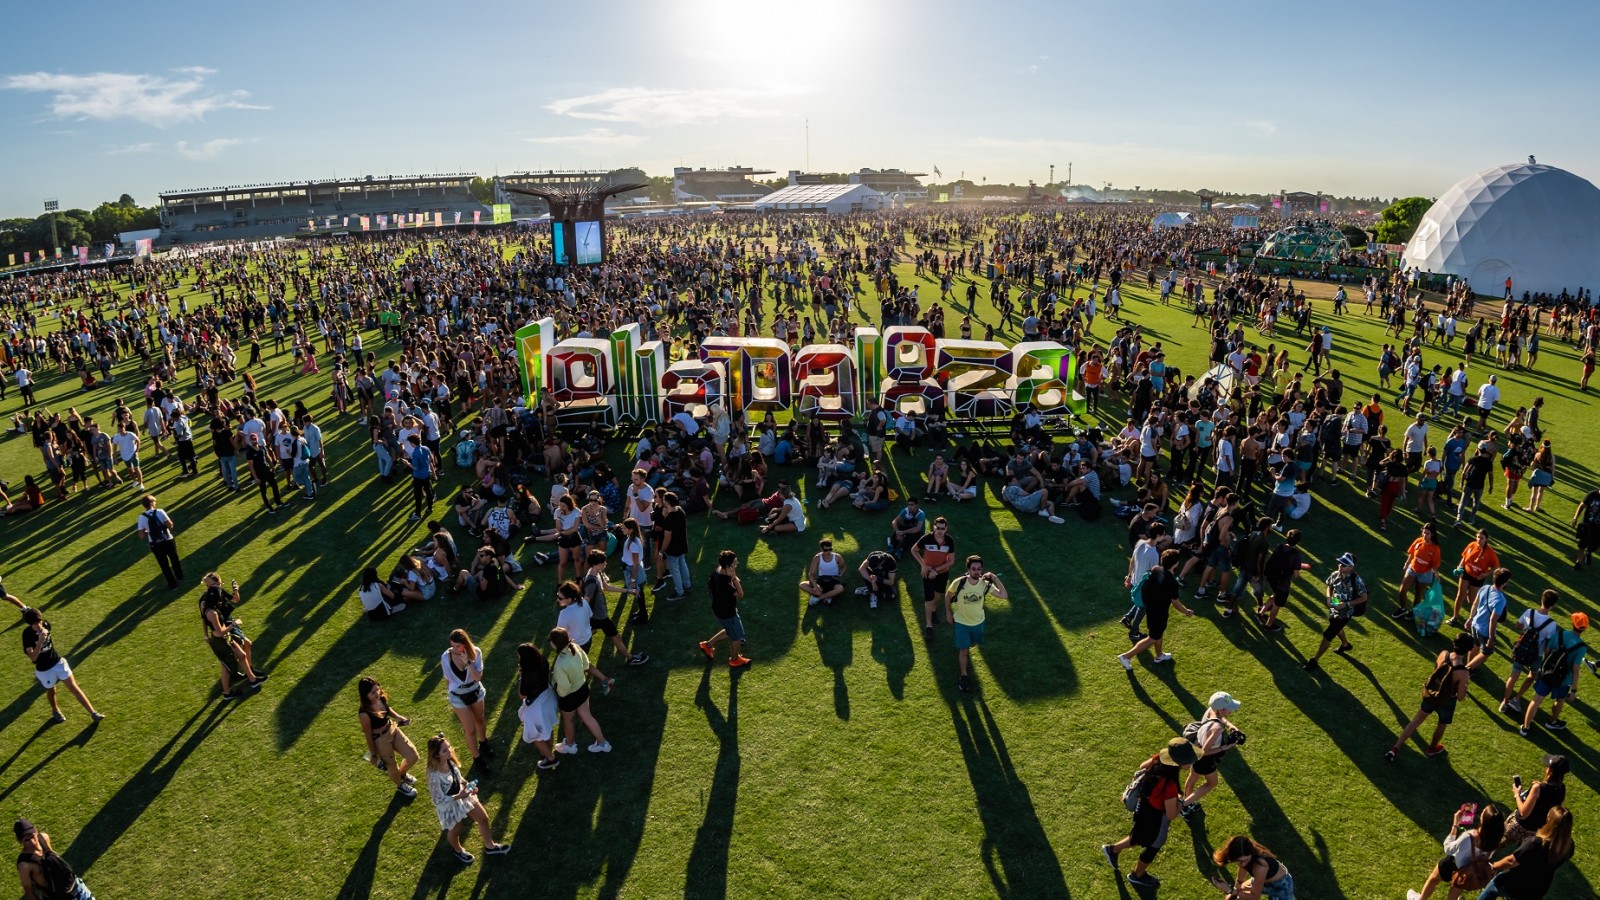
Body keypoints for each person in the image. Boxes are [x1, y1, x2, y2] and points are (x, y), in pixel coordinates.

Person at [1102, 738, 1199, 889]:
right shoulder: (1169, 786)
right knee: (1154, 846)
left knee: (1139, 835)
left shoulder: (1158, 760)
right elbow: (1171, 814)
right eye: (1189, 761)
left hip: (1144, 807)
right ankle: (1137, 875)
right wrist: (1180, 802)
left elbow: (1142, 766)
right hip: (1156, 818)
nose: (1191, 763)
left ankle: (1112, 850)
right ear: (1178, 763)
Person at [1385, 633, 1474, 762]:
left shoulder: (1444, 654)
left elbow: (1436, 670)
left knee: (1415, 722)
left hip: (1431, 694)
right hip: (1446, 701)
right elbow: (1460, 697)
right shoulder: (1463, 672)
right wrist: (1465, 684)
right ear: (1468, 650)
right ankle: (1432, 748)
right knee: (1442, 724)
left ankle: (1395, 748)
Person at [424, 734, 511, 864]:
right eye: (445, 750)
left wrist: (467, 785)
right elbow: (439, 800)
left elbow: (458, 778)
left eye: (449, 747)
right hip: (449, 805)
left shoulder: (450, 761)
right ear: (437, 755)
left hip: (462, 795)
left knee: (483, 818)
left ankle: (490, 846)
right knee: (456, 830)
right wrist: (461, 795)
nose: (450, 751)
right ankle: (458, 850)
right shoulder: (434, 775)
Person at [1404, 804, 1504, 900]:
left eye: (1483, 813)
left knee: (1433, 879)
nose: (1481, 813)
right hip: (1468, 872)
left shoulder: (1469, 836)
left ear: (1484, 821)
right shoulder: (1495, 842)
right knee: (1453, 895)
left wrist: (1455, 825)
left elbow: (1448, 848)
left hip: (1452, 864)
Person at [20, 609, 102, 724]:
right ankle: (55, 710)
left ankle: (93, 713)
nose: (39, 625)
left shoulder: (46, 625)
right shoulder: (27, 635)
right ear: (30, 624)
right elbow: (33, 657)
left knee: (74, 687)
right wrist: (39, 642)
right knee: (51, 690)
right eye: (35, 624)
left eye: (39, 621)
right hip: (44, 670)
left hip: (58, 662)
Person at [1118, 550, 1193, 670]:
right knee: (1152, 638)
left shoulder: (1156, 569)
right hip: (1159, 613)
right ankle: (1126, 656)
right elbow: (1175, 603)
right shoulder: (1172, 582)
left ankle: (1159, 656)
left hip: (1151, 608)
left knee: (1157, 633)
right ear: (1176, 564)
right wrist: (1187, 611)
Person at [1477, 806, 1573, 899]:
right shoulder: (1568, 847)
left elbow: (1511, 861)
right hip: (1536, 890)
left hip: (1512, 884)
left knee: (1491, 889)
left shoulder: (1535, 843)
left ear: (1551, 823)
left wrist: (1494, 866)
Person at [943, 555, 1008, 692]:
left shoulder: (985, 585)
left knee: (973, 643)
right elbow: (948, 596)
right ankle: (964, 675)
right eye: (973, 569)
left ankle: (968, 645)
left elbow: (1004, 595)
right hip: (961, 623)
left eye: (979, 569)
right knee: (964, 651)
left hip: (978, 623)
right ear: (968, 569)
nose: (977, 571)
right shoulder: (959, 583)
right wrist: (948, 612)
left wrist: (994, 577)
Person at [1519, 611, 1588, 737]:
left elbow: (1547, 650)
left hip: (1547, 673)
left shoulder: (1559, 634)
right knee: (1559, 700)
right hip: (1563, 679)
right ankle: (1552, 721)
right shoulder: (1582, 647)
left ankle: (1525, 727)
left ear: (1573, 623)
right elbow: (1576, 669)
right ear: (1584, 628)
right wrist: (1573, 691)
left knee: (1536, 700)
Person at [550, 626, 614, 754]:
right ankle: (602, 743)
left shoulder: (560, 665)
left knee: (568, 720)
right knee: (588, 717)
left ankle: (570, 745)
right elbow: (586, 665)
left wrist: (556, 689)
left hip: (569, 697)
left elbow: (564, 689)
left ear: (555, 644)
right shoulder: (576, 647)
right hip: (583, 689)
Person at [200, 573, 265, 699]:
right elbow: (218, 630)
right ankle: (228, 693)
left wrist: (236, 590)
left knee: (241, 654)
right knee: (227, 666)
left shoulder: (215, 601)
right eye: (211, 585)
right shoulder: (209, 607)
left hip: (224, 633)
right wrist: (206, 635)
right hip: (221, 637)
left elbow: (234, 600)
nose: (220, 592)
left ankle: (251, 678)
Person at [580, 549, 650, 666]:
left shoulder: (597, 572)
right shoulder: (591, 581)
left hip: (596, 615)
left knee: (590, 633)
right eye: (603, 563)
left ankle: (576, 650)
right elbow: (586, 601)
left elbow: (607, 587)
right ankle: (631, 658)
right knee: (616, 637)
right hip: (600, 616)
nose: (606, 564)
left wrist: (628, 591)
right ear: (596, 564)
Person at [1180, 691, 1245, 818]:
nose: (1231, 711)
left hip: (1196, 750)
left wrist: (1231, 726)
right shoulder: (1217, 728)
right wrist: (1227, 746)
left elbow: (1222, 719)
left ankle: (1186, 800)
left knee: (1193, 776)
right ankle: (1183, 805)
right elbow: (1205, 752)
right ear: (1221, 710)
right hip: (1205, 759)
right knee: (1211, 783)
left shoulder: (1212, 710)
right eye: (1229, 709)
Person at [357, 676, 419, 798]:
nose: (377, 693)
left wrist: (398, 717)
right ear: (365, 695)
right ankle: (400, 784)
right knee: (391, 766)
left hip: (392, 729)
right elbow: (368, 736)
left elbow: (387, 709)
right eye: (373, 692)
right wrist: (373, 755)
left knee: (413, 756)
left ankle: (402, 773)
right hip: (380, 740)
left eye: (377, 689)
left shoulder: (381, 698)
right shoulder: (364, 714)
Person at [441, 629, 492, 768]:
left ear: (465, 644)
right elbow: (447, 679)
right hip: (458, 695)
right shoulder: (446, 657)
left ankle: (484, 744)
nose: (454, 649)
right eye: (452, 645)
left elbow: (477, 677)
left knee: (480, 720)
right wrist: (453, 693)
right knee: (470, 729)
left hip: (475, 690)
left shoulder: (476, 652)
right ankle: (477, 759)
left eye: (458, 646)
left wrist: (468, 663)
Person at [14, 818, 94, 900]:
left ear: (36, 831)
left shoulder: (44, 838)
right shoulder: (24, 865)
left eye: (32, 836)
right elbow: (29, 891)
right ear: (19, 841)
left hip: (77, 888)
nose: (32, 842)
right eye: (27, 840)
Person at [699, 550, 751, 668]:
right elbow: (740, 594)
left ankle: (707, 646)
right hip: (728, 612)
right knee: (737, 636)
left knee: (729, 630)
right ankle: (735, 659)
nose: (736, 564)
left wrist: (733, 577)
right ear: (728, 566)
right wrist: (733, 578)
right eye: (735, 563)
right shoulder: (725, 583)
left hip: (718, 609)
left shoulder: (717, 572)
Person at [1504, 754, 1568, 847]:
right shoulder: (1562, 789)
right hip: (1536, 833)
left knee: (1495, 842)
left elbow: (1523, 813)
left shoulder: (1538, 788)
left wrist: (1517, 794)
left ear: (1550, 771)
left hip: (1519, 827)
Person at [515, 643, 561, 771]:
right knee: (548, 727)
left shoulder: (527, 673)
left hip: (536, 707)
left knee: (535, 735)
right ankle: (548, 751)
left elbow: (522, 694)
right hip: (548, 697)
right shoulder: (543, 661)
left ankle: (551, 759)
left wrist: (520, 677)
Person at [1210, 835, 1295, 900]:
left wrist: (1230, 891)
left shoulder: (1260, 866)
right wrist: (1238, 885)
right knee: (1236, 897)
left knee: (1238, 894)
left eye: (1245, 860)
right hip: (1262, 879)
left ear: (1251, 853)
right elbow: (1243, 868)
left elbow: (1255, 897)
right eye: (1239, 861)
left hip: (1280, 886)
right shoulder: (1244, 854)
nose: (1243, 864)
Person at [910, 517, 956, 638]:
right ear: (934, 527)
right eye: (938, 528)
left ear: (946, 529)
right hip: (928, 572)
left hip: (942, 572)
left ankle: (934, 610)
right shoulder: (927, 538)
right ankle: (929, 626)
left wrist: (936, 570)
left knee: (938, 594)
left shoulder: (949, 541)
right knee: (929, 599)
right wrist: (924, 565)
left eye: (942, 528)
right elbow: (914, 550)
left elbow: (951, 561)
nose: (940, 531)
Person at [1449, 528, 1501, 627]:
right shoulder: (1471, 545)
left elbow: (1496, 566)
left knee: (1473, 600)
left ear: (1486, 539)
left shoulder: (1489, 552)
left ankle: (1473, 620)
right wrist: (1460, 567)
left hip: (1477, 577)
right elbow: (1464, 557)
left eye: (1482, 538)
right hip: (1466, 573)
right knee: (1460, 595)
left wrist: (1486, 574)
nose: (1479, 540)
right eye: (1478, 537)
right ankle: (1455, 617)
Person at [1391, 521, 1442, 619]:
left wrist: (1437, 575)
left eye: (1427, 533)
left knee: (1418, 594)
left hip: (1425, 573)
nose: (1424, 535)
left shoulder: (1435, 549)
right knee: (1402, 590)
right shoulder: (1418, 541)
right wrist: (1406, 564)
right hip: (1413, 568)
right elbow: (1411, 553)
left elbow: (1435, 565)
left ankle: (1413, 612)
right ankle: (1402, 609)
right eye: (1424, 532)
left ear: (1432, 534)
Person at [1464, 567, 1511, 668]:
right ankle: (1467, 669)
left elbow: (1475, 604)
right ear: (1505, 583)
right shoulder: (1500, 599)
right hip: (1484, 631)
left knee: (1475, 646)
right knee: (1486, 653)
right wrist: (1491, 638)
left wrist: (1470, 618)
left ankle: (1468, 667)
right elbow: (1493, 620)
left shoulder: (1485, 588)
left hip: (1475, 623)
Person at [136, 494, 183, 589]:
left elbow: (141, 536)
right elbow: (170, 525)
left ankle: (172, 584)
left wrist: (148, 531)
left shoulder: (141, 517)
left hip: (155, 544)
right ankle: (180, 576)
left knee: (164, 564)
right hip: (167, 539)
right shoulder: (160, 511)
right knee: (174, 558)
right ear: (152, 503)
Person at [799, 538, 847, 607]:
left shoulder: (837, 557)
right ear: (821, 549)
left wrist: (840, 575)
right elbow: (810, 574)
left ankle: (818, 598)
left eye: (830, 549)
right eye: (825, 550)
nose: (828, 552)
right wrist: (816, 586)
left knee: (840, 589)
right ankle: (828, 596)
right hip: (821, 580)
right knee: (802, 584)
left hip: (834, 580)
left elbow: (843, 567)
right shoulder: (817, 558)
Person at [402, 434, 438, 523]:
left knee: (418, 496)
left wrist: (407, 463)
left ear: (412, 443)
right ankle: (430, 508)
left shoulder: (415, 453)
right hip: (426, 474)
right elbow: (431, 458)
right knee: (429, 491)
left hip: (418, 477)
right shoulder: (425, 448)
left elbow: (415, 467)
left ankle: (418, 514)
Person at [1571, 484, 1600, 570]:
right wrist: (1575, 517)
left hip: (1598, 527)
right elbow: (1582, 505)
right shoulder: (1592, 494)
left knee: (1595, 544)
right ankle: (1578, 562)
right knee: (1582, 544)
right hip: (1587, 524)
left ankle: (1589, 552)